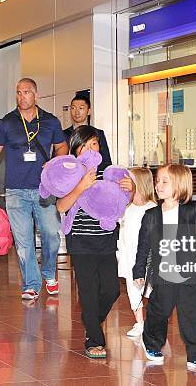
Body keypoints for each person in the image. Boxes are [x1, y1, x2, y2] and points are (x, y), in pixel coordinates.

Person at [133, 164, 196, 373]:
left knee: (190, 314)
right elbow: (143, 247)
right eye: (157, 181)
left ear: (180, 185)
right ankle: (152, 342)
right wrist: (138, 271)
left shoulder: (190, 212)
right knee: (160, 310)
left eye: (164, 181)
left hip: (188, 274)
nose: (158, 185)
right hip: (163, 275)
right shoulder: (151, 215)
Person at [0, 78, 68, 300]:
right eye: (18, 93)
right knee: (23, 242)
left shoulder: (50, 122)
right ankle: (31, 283)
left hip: (45, 190)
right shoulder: (6, 123)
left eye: (26, 92)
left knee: (51, 234)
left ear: (36, 95)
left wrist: (55, 165)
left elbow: (62, 148)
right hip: (15, 191)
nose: (22, 97)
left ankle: (49, 273)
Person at [56, 125, 134, 359]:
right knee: (88, 292)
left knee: (111, 290)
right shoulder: (69, 175)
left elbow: (122, 203)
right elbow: (61, 206)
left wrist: (131, 189)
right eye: (86, 145)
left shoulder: (108, 175)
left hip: (106, 241)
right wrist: (81, 186)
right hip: (81, 243)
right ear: (76, 149)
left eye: (95, 144)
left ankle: (92, 319)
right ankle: (94, 338)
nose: (91, 149)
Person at [116, 167, 156, 338]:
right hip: (127, 256)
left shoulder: (151, 208)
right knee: (133, 292)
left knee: (152, 291)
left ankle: (154, 323)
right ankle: (140, 322)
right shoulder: (126, 208)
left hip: (146, 259)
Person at [62, 94, 112, 170]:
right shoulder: (63, 134)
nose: (77, 112)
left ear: (88, 111)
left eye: (81, 108)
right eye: (73, 108)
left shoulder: (98, 133)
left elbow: (106, 162)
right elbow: (58, 161)